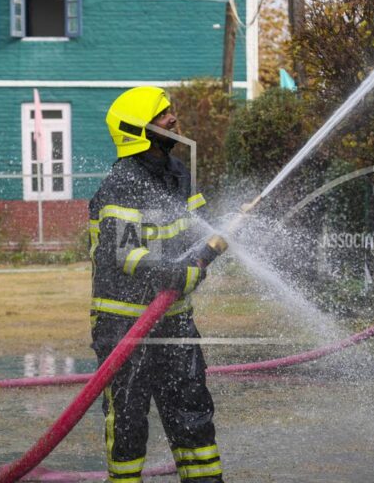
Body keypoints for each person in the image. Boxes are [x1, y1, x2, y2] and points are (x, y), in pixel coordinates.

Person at [90, 86, 228, 483]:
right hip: (125, 328)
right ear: (138, 129)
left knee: (192, 412)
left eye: (170, 112)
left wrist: (213, 243)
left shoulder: (179, 175)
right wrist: (181, 273)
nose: (173, 119)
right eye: (162, 115)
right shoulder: (120, 185)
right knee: (129, 421)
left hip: (176, 323)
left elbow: (202, 231)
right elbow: (128, 256)